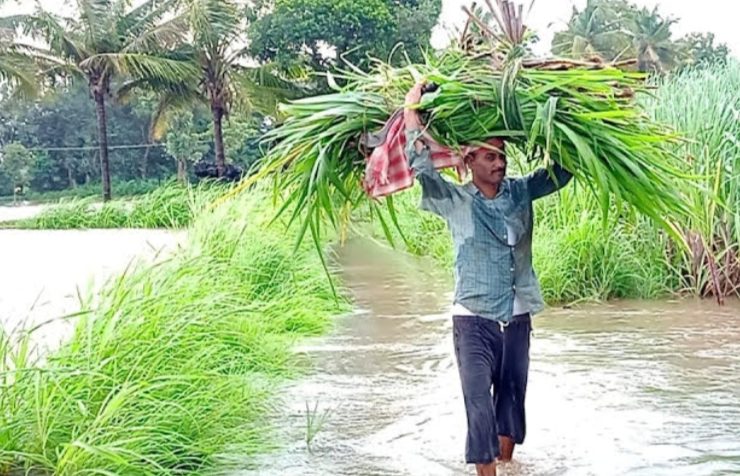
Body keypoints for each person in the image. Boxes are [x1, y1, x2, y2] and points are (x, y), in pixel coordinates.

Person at [403, 83, 573, 476]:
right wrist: (413, 107)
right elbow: (421, 165)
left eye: (503, 156)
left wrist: (562, 117)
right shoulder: (455, 200)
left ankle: (507, 467)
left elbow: (562, 172)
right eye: (491, 157)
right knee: (478, 405)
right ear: (470, 159)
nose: (500, 163)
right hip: (473, 319)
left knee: (511, 400)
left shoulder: (521, 192)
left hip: (516, 317)